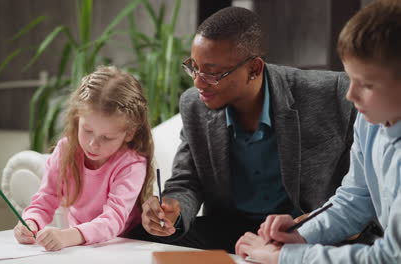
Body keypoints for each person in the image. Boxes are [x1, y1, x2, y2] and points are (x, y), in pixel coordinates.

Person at [131, 6, 357, 253]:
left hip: (305, 233)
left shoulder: (332, 94)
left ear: (254, 69)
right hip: (232, 231)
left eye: (212, 73)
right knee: (139, 237)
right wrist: (172, 210)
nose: (197, 82)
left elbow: (360, 187)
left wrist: (308, 227)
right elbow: (187, 180)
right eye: (193, 67)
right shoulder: (194, 104)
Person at [235, 0, 401, 263]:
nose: (350, 95)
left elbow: (390, 258)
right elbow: (355, 197)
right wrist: (301, 235)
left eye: (366, 84)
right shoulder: (371, 121)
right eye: (351, 79)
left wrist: (286, 257)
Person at [13, 66, 155, 251]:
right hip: (82, 247)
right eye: (87, 131)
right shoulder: (66, 149)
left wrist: (67, 236)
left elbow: (113, 220)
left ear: (129, 133)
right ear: (77, 119)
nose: (93, 144)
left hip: (123, 247)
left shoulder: (131, 164)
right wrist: (30, 222)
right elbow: (46, 198)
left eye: (107, 137)